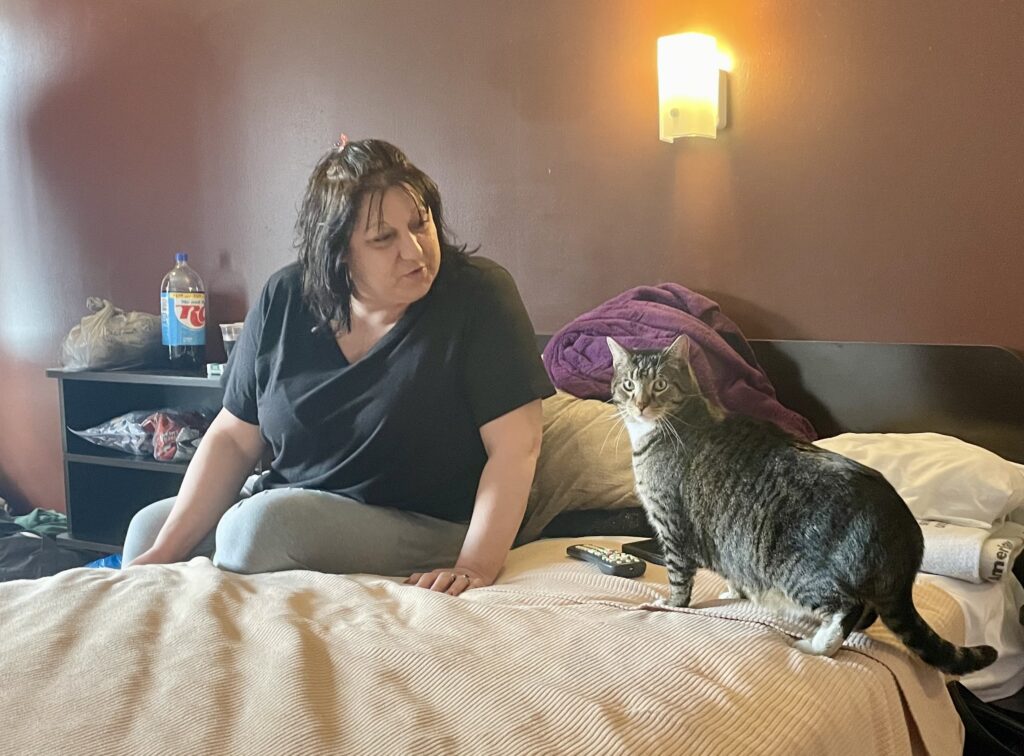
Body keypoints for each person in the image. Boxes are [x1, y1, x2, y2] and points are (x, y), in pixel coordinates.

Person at [123, 136, 554, 596]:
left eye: (420, 224)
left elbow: (517, 447)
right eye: (384, 238)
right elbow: (232, 438)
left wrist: (475, 565)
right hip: (297, 502)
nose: (414, 250)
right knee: (148, 530)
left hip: (424, 521)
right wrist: (164, 552)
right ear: (339, 252)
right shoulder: (284, 297)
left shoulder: (479, 295)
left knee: (259, 530)